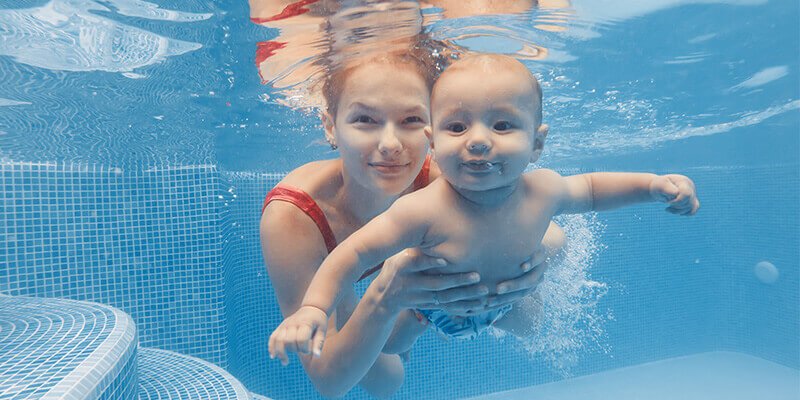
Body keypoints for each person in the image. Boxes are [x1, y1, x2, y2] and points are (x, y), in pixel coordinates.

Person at [268, 53, 701, 357]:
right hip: (434, 308)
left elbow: (591, 190)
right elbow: (353, 254)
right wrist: (313, 308)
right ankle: (416, 326)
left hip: (504, 302)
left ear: (537, 142)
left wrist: (651, 186)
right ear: (434, 145)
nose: (478, 139)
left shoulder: (545, 188)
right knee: (392, 346)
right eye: (457, 126)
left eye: (502, 124)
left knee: (531, 327)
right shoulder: (421, 209)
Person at [260, 50, 566, 399]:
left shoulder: (440, 174)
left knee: (526, 321)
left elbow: (554, 234)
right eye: (364, 119)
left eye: (410, 120)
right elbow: (330, 382)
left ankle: (420, 308)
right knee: (389, 380)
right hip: (340, 269)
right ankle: (402, 303)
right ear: (331, 126)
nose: (390, 145)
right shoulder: (295, 216)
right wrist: (386, 296)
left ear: (430, 128)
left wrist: (530, 253)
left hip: (420, 277)